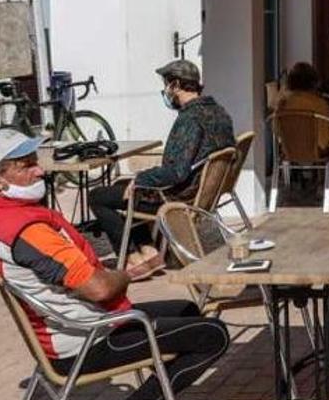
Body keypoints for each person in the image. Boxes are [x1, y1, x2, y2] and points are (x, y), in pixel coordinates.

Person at [0, 129, 229, 400]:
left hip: (78, 327)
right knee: (212, 336)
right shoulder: (28, 231)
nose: (39, 170)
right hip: (85, 340)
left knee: (187, 311)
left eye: (35, 162)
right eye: (26, 166)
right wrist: (131, 273)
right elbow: (100, 289)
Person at [88, 59, 234, 280]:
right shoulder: (219, 112)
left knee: (98, 196)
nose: (166, 91)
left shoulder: (190, 119)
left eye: (167, 85)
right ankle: (149, 252)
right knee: (122, 187)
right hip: (200, 193)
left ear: (175, 85)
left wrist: (139, 178)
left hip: (177, 198)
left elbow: (176, 172)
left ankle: (131, 260)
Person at [274, 61, 329, 156]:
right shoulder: (320, 104)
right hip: (317, 152)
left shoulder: (283, 105)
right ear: (314, 83)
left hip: (289, 151)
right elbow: (328, 134)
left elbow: (276, 130)